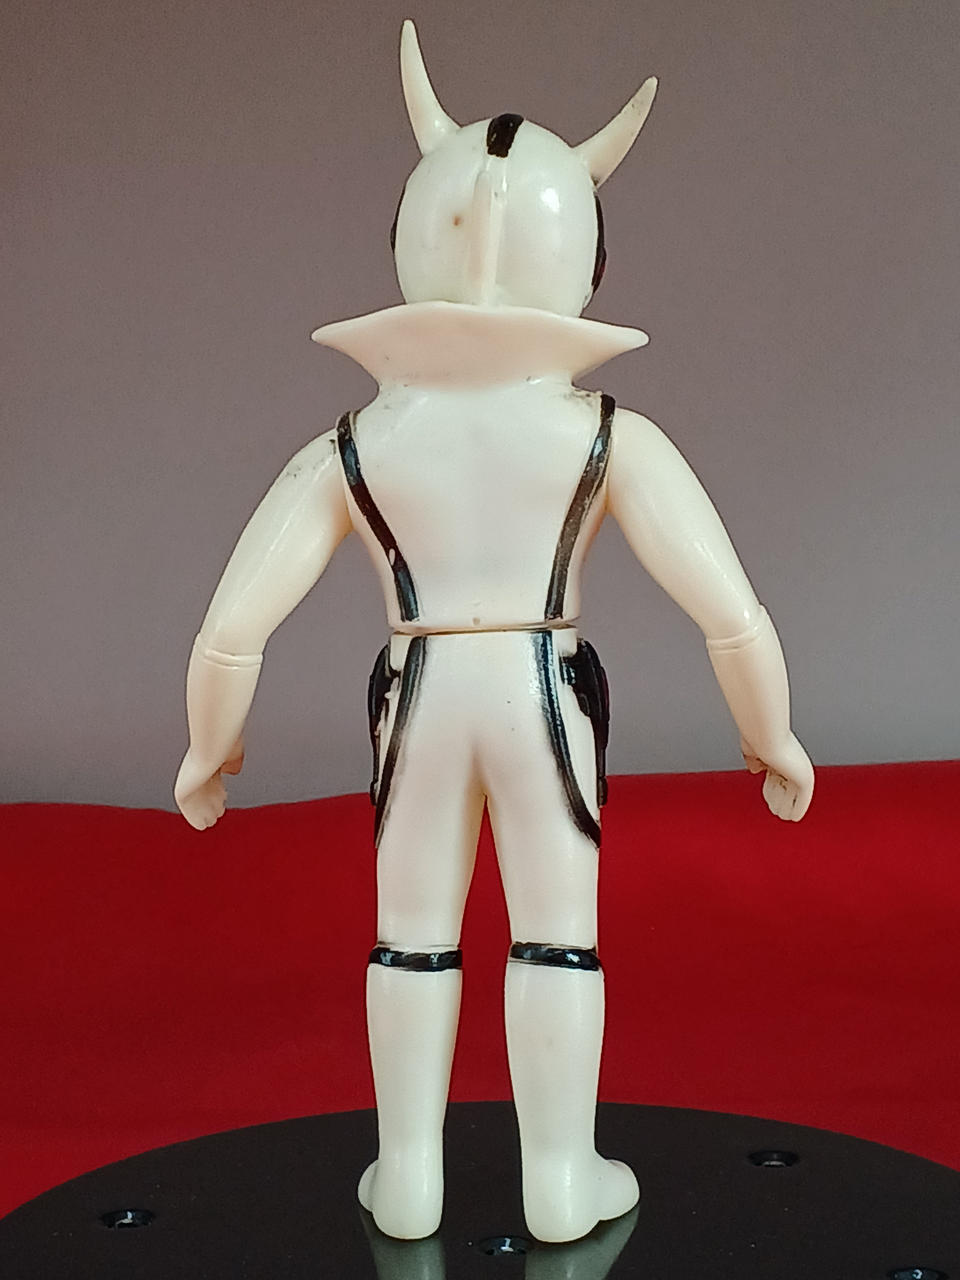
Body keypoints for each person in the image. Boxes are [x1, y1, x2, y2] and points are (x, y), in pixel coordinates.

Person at [174, 20, 814, 1244]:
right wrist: (771, 732)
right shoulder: (608, 437)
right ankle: (559, 1175)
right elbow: (730, 611)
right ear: (587, 259)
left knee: (409, 941)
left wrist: (208, 748)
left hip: (417, 689)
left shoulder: (354, 447)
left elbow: (232, 625)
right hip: (543, 689)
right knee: (557, 938)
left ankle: (408, 1169)